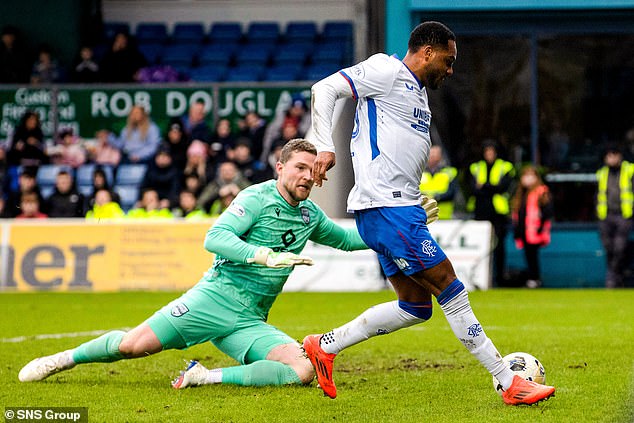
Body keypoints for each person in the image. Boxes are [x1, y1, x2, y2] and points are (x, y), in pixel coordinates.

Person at [303, 21, 554, 405]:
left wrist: (414, 198)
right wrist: (322, 144)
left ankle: (325, 345)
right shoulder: (386, 70)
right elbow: (326, 88)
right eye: (449, 61)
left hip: (399, 208)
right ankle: (508, 381)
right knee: (449, 285)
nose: (451, 71)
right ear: (427, 52)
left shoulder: (417, 94)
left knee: (416, 307)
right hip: (385, 209)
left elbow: (393, 152)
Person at [17, 139, 366, 393]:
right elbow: (215, 237)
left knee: (302, 369)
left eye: (312, 169)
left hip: (249, 320)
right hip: (214, 299)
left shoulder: (310, 214)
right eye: (299, 167)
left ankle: (204, 376)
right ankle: (64, 359)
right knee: (131, 347)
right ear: (280, 168)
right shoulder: (256, 198)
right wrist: (263, 255)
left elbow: (349, 240)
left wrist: (399, 228)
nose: (307, 176)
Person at [468, 140, 515, 286]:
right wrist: (491, 187)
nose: (489, 154)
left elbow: (503, 187)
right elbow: (473, 189)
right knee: (479, 245)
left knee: (499, 246)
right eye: (487, 152)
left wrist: (484, 187)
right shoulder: (476, 167)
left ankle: (499, 278)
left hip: (498, 212)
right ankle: (479, 278)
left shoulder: (505, 166)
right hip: (480, 211)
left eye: (492, 151)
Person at [596, 145, 634, 288]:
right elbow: (597, 195)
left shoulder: (630, 170)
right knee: (609, 247)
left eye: (614, 155)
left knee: (620, 247)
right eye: (609, 155)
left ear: (620, 156)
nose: (612, 158)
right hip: (605, 216)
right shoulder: (602, 173)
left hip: (624, 215)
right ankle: (616, 276)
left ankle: (613, 277)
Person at [511, 166, 553, 288]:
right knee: (528, 255)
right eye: (525, 176)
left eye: (530, 176)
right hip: (524, 230)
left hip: (534, 231)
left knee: (532, 255)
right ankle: (532, 278)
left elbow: (548, 211)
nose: (527, 179)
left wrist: (540, 227)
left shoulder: (541, 191)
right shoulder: (520, 193)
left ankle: (535, 279)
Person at [419, 144, 458, 219]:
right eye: (430, 154)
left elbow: (452, 193)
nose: (432, 157)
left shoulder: (449, 172)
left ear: (440, 157)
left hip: (444, 216)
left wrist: (436, 197)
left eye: (435, 154)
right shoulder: (419, 173)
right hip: (423, 217)